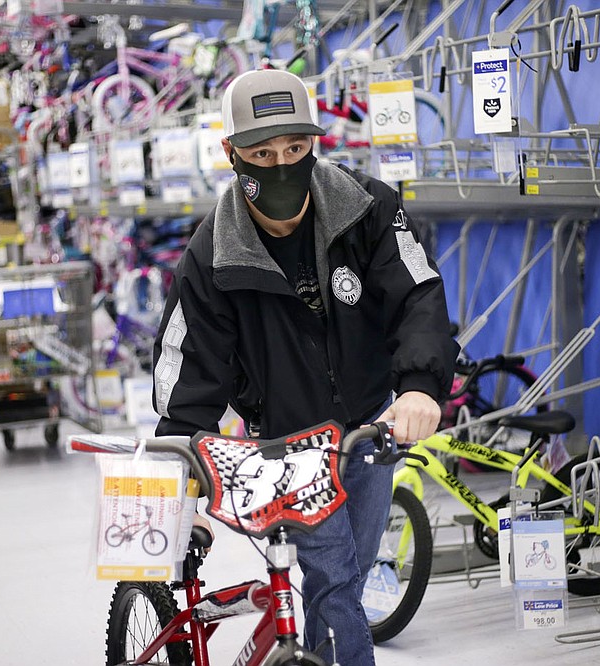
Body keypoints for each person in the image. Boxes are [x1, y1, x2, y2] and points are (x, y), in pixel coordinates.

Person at [151, 69, 458, 666]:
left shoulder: (368, 210)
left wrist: (420, 386)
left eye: (295, 149)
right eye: (262, 154)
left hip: (370, 427)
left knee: (346, 572)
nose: (281, 166)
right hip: (285, 447)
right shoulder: (211, 256)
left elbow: (418, 293)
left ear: (314, 144)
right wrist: (179, 475)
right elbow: (190, 375)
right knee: (338, 576)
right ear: (231, 154)